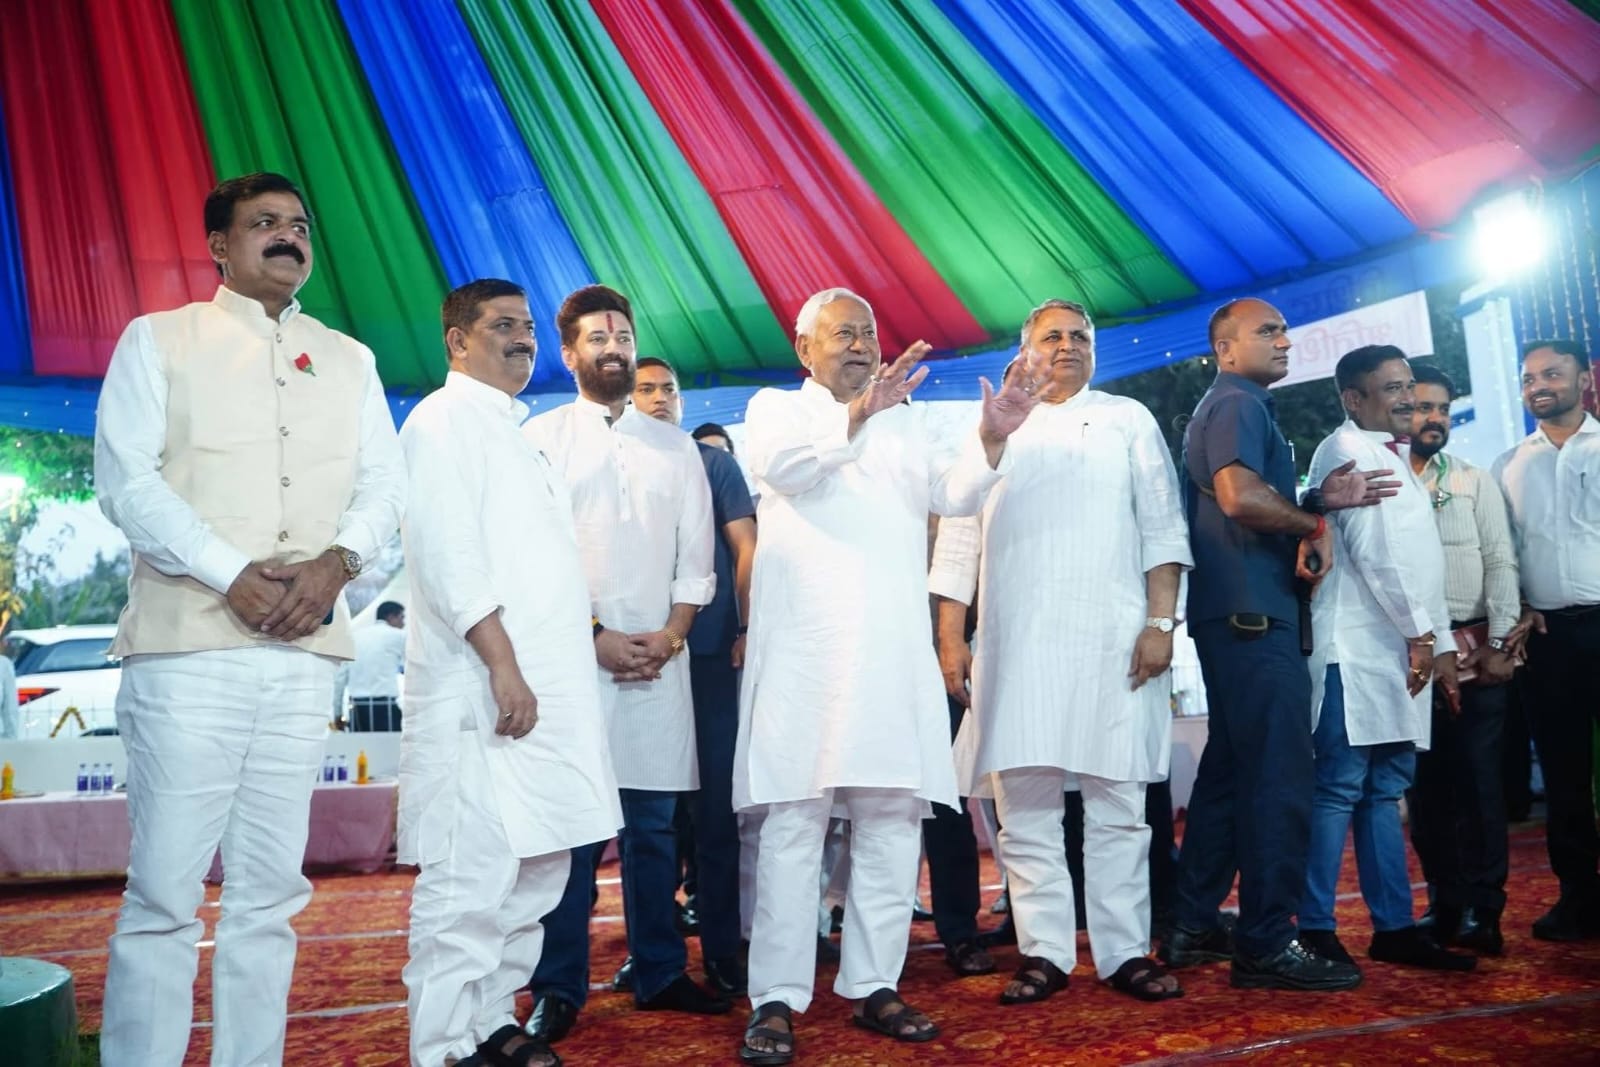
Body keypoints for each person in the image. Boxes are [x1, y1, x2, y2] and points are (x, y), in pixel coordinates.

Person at [93, 172, 406, 1065]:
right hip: (188, 652)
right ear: (219, 247)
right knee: (165, 893)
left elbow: (388, 488)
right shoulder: (161, 339)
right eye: (264, 222)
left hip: (304, 655)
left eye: (299, 224)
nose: (287, 235)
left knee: (270, 895)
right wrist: (230, 572)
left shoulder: (351, 358)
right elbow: (126, 482)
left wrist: (338, 564)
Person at [734, 287, 1040, 1064]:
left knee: (893, 822)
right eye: (843, 332)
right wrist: (858, 415)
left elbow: (955, 492)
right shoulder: (776, 409)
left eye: (868, 332)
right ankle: (776, 996)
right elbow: (782, 469)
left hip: (890, 657)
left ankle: (873, 982)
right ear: (805, 349)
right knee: (794, 825)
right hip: (805, 657)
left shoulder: (907, 420)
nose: (860, 344)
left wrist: (992, 435)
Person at [930, 300, 1192, 1004]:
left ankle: (1123, 950)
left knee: (1120, 806)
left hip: (1114, 635)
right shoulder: (992, 425)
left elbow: (1163, 526)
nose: (1069, 345)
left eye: (1081, 336)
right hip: (1016, 642)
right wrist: (951, 637)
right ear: (1024, 352)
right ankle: (1043, 952)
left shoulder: (1126, 418)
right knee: (1025, 810)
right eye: (1053, 336)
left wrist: (1161, 623)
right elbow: (957, 537)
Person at [398, 278, 621, 1067]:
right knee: (470, 875)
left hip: (548, 693)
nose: (523, 337)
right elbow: (448, 555)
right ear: (457, 341)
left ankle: (492, 1019)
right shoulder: (440, 420)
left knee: (539, 869)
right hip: (485, 687)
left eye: (527, 325)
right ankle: (441, 1044)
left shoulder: (516, 432)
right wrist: (502, 663)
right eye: (503, 325)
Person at [1161, 298, 1395, 992]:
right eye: (1268, 330)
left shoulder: (1234, 405)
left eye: (1285, 329)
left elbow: (1240, 500)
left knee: (1231, 777)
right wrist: (1312, 525)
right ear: (1226, 349)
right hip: (1253, 621)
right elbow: (1240, 498)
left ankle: (1193, 924)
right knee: (1279, 781)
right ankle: (1265, 941)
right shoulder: (1237, 403)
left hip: (1238, 618)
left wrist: (1315, 501)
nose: (1285, 340)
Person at [522, 285, 724, 1043]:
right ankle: (558, 985)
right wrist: (595, 634)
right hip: (572, 662)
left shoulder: (676, 446)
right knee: (573, 831)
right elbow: (532, 556)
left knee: (653, 828)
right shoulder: (541, 438)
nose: (614, 349)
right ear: (569, 353)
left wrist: (671, 635)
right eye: (597, 339)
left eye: (623, 337)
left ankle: (661, 971)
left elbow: (695, 557)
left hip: (660, 662)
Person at [1297, 346, 1472, 973]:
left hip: (1400, 649)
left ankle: (1393, 927)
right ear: (1354, 398)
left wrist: (1437, 643)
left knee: (1385, 790)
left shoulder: (1391, 454)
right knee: (1339, 789)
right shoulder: (1346, 451)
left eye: (1409, 385)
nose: (1407, 398)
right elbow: (1377, 558)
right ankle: (1315, 927)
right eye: (1392, 388)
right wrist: (1423, 637)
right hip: (1357, 650)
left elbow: (1422, 565)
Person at [632, 358, 758, 995]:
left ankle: (723, 949)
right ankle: (653, 958)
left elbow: (747, 548)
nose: (660, 398)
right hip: (634, 661)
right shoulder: (615, 463)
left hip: (707, 658)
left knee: (715, 816)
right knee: (648, 822)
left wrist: (747, 627)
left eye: (669, 389)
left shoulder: (714, 465)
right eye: (645, 389)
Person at [1405, 363, 1520, 955]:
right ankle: (1443, 905)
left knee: (1479, 785)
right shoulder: (1384, 482)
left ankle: (1485, 910)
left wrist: (1499, 645)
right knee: (1426, 790)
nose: (1435, 418)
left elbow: (1500, 561)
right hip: (1412, 658)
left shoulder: (1475, 480)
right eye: (1423, 407)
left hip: (1477, 655)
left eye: (1443, 409)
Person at [1492, 338, 1600, 942]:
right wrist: (1519, 608)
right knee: (1563, 775)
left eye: (1552, 374)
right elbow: (1503, 553)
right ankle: (1579, 899)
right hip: (1547, 637)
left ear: (1583, 380)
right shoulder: (1508, 464)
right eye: (1529, 377)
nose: (1538, 386)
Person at [348, 600, 405, 731]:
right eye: (401, 617)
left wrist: (337, 711)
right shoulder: (399, 636)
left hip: (357, 707)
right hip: (385, 706)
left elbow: (341, 677)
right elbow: (412, 667)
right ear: (391, 616)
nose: (403, 623)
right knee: (390, 743)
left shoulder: (355, 637)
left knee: (359, 744)